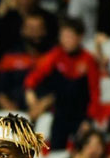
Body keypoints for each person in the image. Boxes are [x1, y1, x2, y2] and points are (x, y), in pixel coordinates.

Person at [24, 17, 100, 150]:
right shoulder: (56, 56)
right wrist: (31, 94)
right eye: (63, 36)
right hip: (60, 115)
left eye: (70, 36)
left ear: (80, 37)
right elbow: (33, 78)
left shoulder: (88, 60)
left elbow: (94, 92)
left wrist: (89, 120)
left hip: (81, 116)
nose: (66, 40)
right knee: (56, 149)